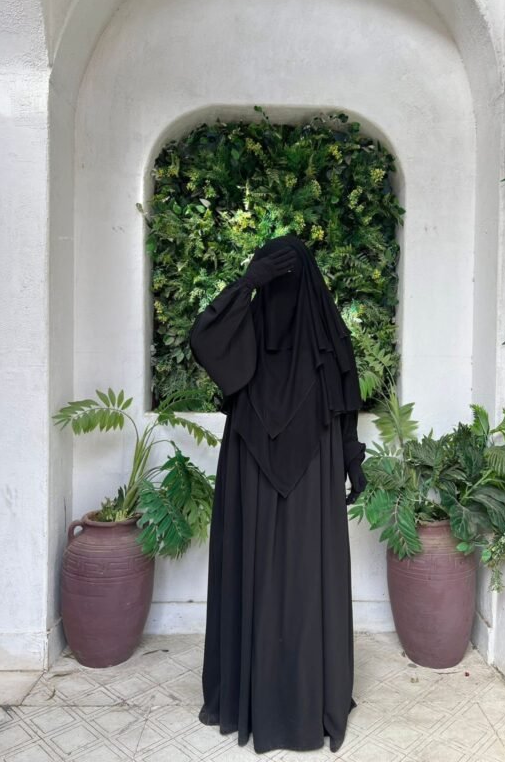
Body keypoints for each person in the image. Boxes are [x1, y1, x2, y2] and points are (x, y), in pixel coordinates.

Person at [189, 232, 367, 754]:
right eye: (272, 282)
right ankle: (298, 699)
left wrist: (353, 461)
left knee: (296, 579)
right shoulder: (284, 335)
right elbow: (203, 338)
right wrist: (248, 284)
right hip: (276, 473)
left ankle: (284, 700)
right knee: (296, 579)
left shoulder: (257, 337)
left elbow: (345, 407)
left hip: (286, 473)